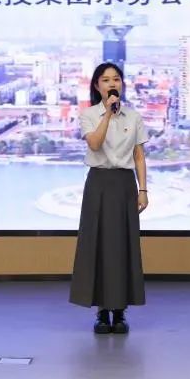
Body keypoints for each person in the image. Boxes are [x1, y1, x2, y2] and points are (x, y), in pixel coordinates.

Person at [69, 62, 149, 334]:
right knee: (98, 245)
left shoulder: (133, 117)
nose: (112, 84)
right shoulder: (89, 114)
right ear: (97, 86)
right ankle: (102, 312)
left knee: (122, 246)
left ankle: (120, 311)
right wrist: (107, 115)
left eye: (116, 79)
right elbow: (94, 143)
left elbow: (139, 156)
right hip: (99, 184)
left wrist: (143, 190)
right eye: (105, 80)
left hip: (124, 184)